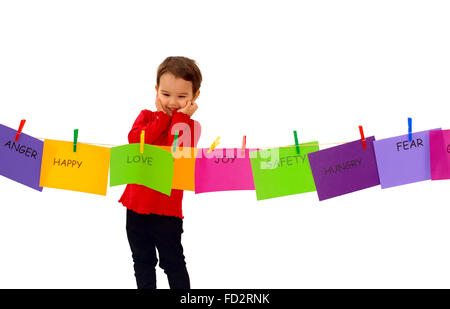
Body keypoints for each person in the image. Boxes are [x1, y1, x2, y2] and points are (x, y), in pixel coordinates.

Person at [118, 56, 202, 289]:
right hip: (136, 206)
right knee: (142, 261)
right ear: (156, 91)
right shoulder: (146, 117)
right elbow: (136, 141)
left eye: (182, 96)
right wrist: (163, 117)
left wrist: (180, 118)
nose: (172, 102)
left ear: (194, 97)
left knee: (173, 262)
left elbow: (177, 151)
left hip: (167, 211)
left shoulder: (190, 127)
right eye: (166, 95)